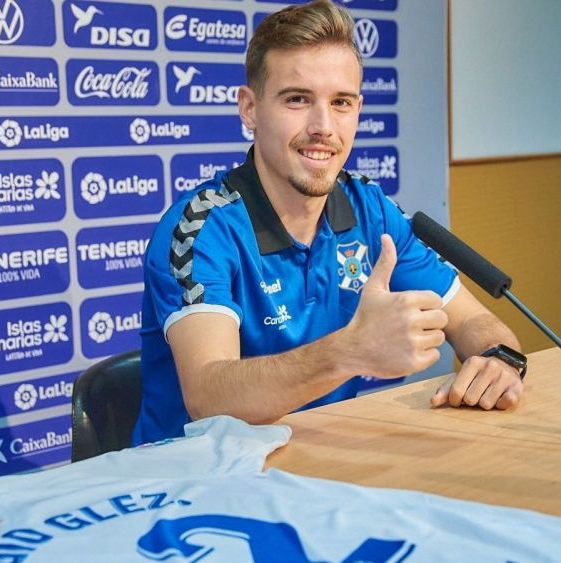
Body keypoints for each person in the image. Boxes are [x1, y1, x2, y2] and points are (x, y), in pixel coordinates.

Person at [132, 0, 525, 445]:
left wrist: (498, 360)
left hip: (320, 465)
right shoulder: (199, 229)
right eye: (297, 99)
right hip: (194, 484)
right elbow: (210, 396)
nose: (323, 126)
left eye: (340, 103)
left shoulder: (371, 209)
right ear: (250, 109)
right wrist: (350, 350)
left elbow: (475, 322)